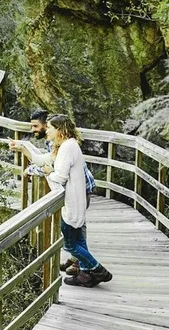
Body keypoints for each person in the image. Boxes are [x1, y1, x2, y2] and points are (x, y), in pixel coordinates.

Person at [9, 109, 96, 276]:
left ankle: (88, 266)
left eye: (37, 126)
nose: (34, 130)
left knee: (76, 230)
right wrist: (22, 148)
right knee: (75, 231)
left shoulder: (62, 144)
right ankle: (79, 262)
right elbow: (45, 159)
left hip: (79, 189)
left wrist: (33, 170)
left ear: (49, 127)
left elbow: (54, 170)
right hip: (74, 187)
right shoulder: (56, 142)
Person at [42, 114, 112, 287]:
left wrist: (48, 171)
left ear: (59, 130)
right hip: (77, 200)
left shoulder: (67, 147)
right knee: (79, 241)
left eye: (49, 127)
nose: (46, 130)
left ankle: (98, 270)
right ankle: (86, 275)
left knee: (71, 245)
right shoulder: (70, 145)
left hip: (71, 203)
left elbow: (60, 177)